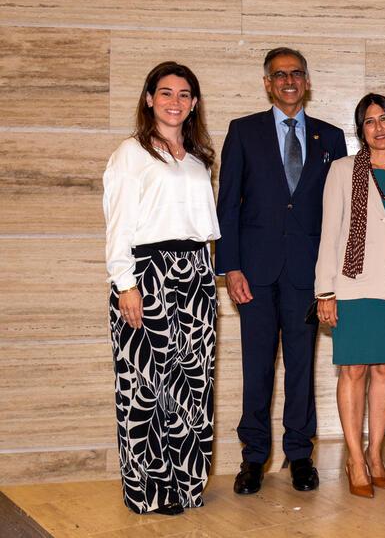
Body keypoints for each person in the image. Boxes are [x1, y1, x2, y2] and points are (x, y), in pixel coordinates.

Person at [216, 47, 347, 495]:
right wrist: (229, 267)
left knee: (300, 368)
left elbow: (338, 214)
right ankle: (252, 458)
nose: (288, 81)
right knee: (257, 368)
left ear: (306, 81)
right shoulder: (243, 132)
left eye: (296, 73)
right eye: (279, 75)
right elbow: (227, 206)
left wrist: (332, 279)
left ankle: (299, 455)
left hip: (307, 276)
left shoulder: (331, 138)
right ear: (267, 83)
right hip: (253, 272)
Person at [103, 62, 220, 515]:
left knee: (192, 384)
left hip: (194, 272)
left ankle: (186, 485)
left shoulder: (196, 158)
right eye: (166, 92)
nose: (175, 101)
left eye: (185, 94)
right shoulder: (130, 154)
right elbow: (117, 227)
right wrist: (125, 285)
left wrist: (205, 274)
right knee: (146, 388)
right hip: (145, 274)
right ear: (149, 98)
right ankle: (150, 491)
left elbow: (201, 227)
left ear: (193, 103)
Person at [314, 93, 385, 498]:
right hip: (350, 286)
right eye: (370, 121)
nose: (379, 127)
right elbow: (329, 233)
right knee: (353, 371)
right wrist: (325, 290)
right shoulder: (341, 171)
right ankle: (354, 458)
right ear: (361, 130)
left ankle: (376, 454)